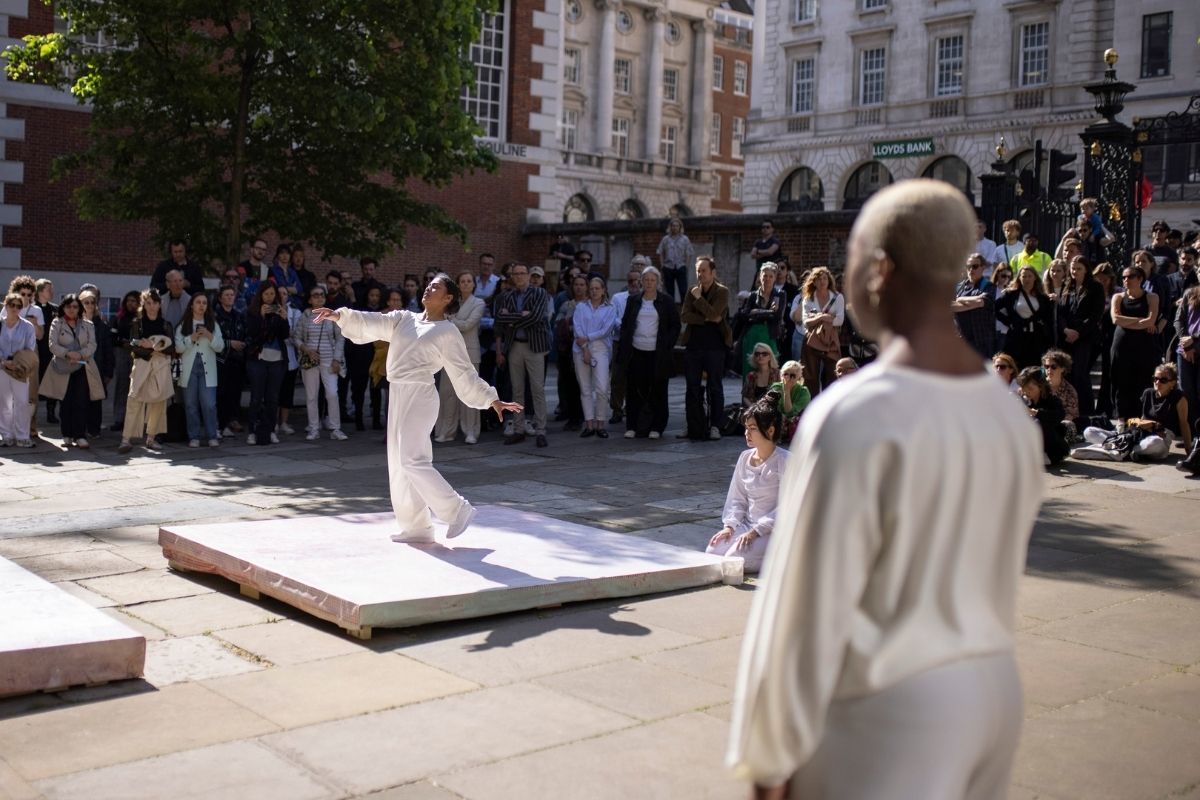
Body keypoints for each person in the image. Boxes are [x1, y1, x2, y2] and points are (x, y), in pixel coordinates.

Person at [727, 179, 1042, 799]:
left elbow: (803, 607)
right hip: (990, 694)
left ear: (880, 269)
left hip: (885, 711)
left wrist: (767, 755)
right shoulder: (1009, 416)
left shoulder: (855, 412)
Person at [314, 275, 521, 542]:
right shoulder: (404, 318)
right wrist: (340, 316)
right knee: (399, 464)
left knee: (412, 460)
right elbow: (374, 321)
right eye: (429, 284)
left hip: (421, 395)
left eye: (436, 287)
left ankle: (457, 509)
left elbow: (464, 372)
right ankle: (417, 527)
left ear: (448, 298)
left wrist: (491, 398)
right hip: (398, 393)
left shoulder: (447, 331)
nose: (428, 288)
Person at [705, 390, 789, 573]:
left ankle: (783, 557)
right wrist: (730, 526)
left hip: (774, 530)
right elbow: (737, 497)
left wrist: (756, 531)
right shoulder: (745, 457)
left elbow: (789, 506)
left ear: (770, 430)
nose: (746, 433)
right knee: (712, 552)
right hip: (748, 525)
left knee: (733, 560)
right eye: (746, 428)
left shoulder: (785, 461)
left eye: (752, 428)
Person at [1077, 363, 1191, 462]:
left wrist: (1188, 450)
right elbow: (1139, 419)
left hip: (1160, 437)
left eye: (1163, 380)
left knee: (1154, 443)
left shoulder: (1178, 398)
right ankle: (1123, 449)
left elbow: (1184, 424)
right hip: (1138, 435)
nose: (1157, 382)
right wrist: (1137, 424)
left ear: (1172, 383)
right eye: (1155, 379)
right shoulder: (1148, 393)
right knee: (1088, 431)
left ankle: (1117, 449)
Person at [616, 266, 680, 440]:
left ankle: (657, 427)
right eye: (646, 280)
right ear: (641, 282)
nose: (649, 283)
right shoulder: (634, 300)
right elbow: (625, 324)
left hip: (658, 353)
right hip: (636, 351)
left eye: (653, 280)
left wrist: (667, 344)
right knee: (634, 389)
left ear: (658, 282)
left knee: (658, 390)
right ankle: (632, 426)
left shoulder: (666, 301)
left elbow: (675, 325)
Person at [494, 262, 551, 448]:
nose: (518, 276)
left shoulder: (539, 293)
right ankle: (519, 429)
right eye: (515, 274)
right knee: (517, 389)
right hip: (515, 347)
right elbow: (500, 319)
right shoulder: (507, 296)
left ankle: (541, 430)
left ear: (527, 275)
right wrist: (522, 315)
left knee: (537, 389)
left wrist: (512, 318)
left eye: (522, 273)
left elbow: (536, 317)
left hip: (534, 347)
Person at [42, 294, 104, 450]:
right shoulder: (57, 322)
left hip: (83, 366)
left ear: (80, 308)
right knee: (65, 402)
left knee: (81, 402)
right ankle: (67, 435)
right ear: (63, 307)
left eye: (75, 306)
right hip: (63, 366)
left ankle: (80, 435)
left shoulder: (88, 324)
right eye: (68, 306)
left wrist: (80, 354)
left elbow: (92, 345)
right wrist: (67, 354)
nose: (71, 309)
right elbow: (52, 344)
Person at [680, 256, 732, 441]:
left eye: (704, 270)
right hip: (693, 345)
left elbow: (716, 315)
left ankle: (715, 426)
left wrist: (699, 300)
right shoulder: (691, 291)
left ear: (712, 272)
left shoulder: (722, 291)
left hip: (715, 346)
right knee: (692, 387)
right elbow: (685, 316)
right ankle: (693, 425)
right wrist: (705, 319)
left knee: (715, 386)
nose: (700, 274)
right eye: (698, 271)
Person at [118, 290, 176, 453]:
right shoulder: (137, 323)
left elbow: (171, 348)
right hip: (142, 364)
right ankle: (125, 439)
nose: (152, 306)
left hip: (161, 366)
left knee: (158, 402)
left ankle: (151, 438)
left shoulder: (166, 325)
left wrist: (152, 345)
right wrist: (153, 348)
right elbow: (133, 347)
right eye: (148, 303)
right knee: (134, 399)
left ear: (159, 304)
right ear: (143, 305)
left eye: (155, 303)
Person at [435, 272, 487, 444]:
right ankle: (446, 431)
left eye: (468, 281)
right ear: (457, 285)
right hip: (449, 352)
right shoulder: (450, 302)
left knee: (470, 393)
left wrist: (449, 319)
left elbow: (467, 325)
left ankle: (470, 431)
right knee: (447, 393)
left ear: (473, 284)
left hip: (469, 353)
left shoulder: (478, 303)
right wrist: (449, 319)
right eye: (462, 281)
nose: (465, 284)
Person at [293, 285, 348, 441]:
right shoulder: (305, 316)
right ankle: (313, 428)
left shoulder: (332, 315)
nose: (319, 297)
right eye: (315, 295)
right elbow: (296, 338)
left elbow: (340, 338)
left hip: (329, 361)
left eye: (321, 295)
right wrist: (307, 350)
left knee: (332, 393)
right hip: (310, 360)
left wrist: (337, 359)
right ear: (310, 299)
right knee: (311, 396)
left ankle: (335, 428)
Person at [1110, 265, 1160, 420]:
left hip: (1144, 345)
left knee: (1143, 379)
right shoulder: (1118, 297)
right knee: (1120, 380)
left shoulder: (1152, 297)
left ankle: (1143, 416)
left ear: (1140, 279)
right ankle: (1121, 418)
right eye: (1124, 277)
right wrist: (1141, 321)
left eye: (1130, 277)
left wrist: (1129, 322)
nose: (1126, 280)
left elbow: (1151, 320)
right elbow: (1116, 319)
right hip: (1122, 343)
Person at [175, 292, 224, 448]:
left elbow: (220, 347)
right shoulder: (184, 325)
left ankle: (212, 435)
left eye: (204, 303)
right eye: (198, 302)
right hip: (188, 369)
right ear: (192, 305)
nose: (201, 305)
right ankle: (194, 436)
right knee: (190, 405)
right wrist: (192, 337)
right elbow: (178, 347)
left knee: (209, 404)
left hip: (207, 370)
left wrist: (209, 335)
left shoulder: (213, 324)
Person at [244, 283, 290, 446]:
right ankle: (252, 431)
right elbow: (252, 334)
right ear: (260, 296)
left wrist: (284, 319)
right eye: (266, 294)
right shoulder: (252, 312)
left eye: (272, 294)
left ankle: (270, 430)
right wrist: (261, 317)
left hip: (277, 360)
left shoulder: (279, 311)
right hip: (258, 360)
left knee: (273, 398)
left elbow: (285, 335)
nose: (269, 297)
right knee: (256, 397)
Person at [1057, 256, 1104, 415]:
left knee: (1080, 374)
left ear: (1086, 270)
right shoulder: (1067, 286)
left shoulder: (1095, 287)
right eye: (1073, 268)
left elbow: (1095, 314)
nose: (1075, 271)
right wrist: (1065, 330)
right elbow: (1061, 313)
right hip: (1067, 336)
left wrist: (1079, 332)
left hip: (1085, 337)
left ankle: (1086, 412)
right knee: (1068, 374)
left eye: (1079, 268)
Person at [573, 276, 617, 439]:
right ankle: (589, 424)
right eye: (591, 288)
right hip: (580, 349)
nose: (594, 291)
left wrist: (588, 338)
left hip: (600, 349)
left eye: (597, 288)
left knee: (602, 388)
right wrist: (585, 347)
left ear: (603, 290)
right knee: (585, 389)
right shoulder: (581, 307)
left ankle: (600, 423)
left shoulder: (610, 308)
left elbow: (606, 330)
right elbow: (577, 328)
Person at [798, 266, 844, 396]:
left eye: (824, 278)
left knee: (832, 374)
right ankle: (811, 403)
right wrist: (823, 317)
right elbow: (806, 322)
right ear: (813, 282)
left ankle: (830, 403)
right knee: (810, 376)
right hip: (812, 340)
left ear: (829, 280)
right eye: (818, 279)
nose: (822, 281)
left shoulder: (838, 297)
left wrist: (816, 318)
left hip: (830, 339)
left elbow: (839, 320)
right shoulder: (808, 298)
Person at [995, 266, 1053, 368]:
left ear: (1035, 278)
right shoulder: (1011, 294)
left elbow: (1047, 317)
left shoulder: (1042, 297)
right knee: (1015, 366)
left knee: (1033, 367)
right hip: (1017, 337)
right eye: (1024, 276)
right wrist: (1009, 322)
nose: (1027, 279)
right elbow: (995, 308)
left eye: (1029, 276)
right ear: (1019, 278)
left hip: (1035, 338)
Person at [608, 261, 644, 425]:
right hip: (620, 341)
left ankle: (632, 408)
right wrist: (626, 326)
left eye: (637, 280)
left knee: (635, 377)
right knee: (617, 377)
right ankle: (616, 409)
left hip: (638, 342)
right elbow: (613, 317)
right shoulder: (618, 298)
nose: (634, 283)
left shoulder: (645, 298)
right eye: (631, 281)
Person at [0, 293, 37, 448]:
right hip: (1, 367)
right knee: (4, 403)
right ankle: (6, 436)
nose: (15, 308)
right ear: (6, 305)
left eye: (18, 306)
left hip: (20, 368)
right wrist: (3, 361)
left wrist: (16, 363)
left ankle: (22, 436)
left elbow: (30, 348)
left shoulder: (27, 326)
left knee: (22, 403)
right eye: (12, 305)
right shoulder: (0, 324)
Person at [737, 262, 786, 377]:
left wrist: (756, 312)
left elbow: (777, 316)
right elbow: (745, 315)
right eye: (765, 276)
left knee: (771, 370)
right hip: (752, 335)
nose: (767, 279)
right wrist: (768, 312)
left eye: (770, 276)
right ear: (760, 277)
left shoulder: (780, 294)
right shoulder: (753, 295)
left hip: (770, 335)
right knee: (750, 369)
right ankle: (749, 389)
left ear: (774, 278)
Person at [346, 284, 384, 431]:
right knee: (359, 390)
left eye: (377, 296)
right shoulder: (361, 312)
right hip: (361, 354)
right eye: (372, 295)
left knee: (376, 389)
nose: (374, 298)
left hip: (377, 355)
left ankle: (376, 420)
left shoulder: (383, 313)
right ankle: (359, 420)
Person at [553, 274, 588, 432]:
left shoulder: (590, 305)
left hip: (585, 349)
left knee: (583, 385)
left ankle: (583, 415)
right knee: (569, 384)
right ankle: (572, 416)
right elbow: (558, 323)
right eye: (576, 284)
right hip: (567, 349)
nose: (579, 287)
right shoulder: (566, 305)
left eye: (582, 284)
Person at [1017, 365, 1069, 466]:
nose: (1026, 391)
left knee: (1037, 422)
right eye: (1023, 388)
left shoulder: (1052, 400)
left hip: (1051, 447)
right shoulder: (1025, 400)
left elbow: (1060, 415)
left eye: (1030, 388)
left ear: (1040, 386)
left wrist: (1036, 413)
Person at [79, 289, 113, 440]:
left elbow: (108, 351)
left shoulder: (102, 326)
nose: (90, 305)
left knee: (95, 400)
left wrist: (108, 372)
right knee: (80, 400)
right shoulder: (75, 324)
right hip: (79, 367)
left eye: (92, 302)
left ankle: (94, 429)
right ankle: (80, 429)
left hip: (96, 367)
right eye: (86, 302)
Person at [214, 285, 247, 436]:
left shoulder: (239, 315)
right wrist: (230, 343)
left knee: (235, 392)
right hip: (221, 360)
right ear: (220, 298)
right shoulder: (215, 316)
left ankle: (232, 420)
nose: (229, 297)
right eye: (226, 295)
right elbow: (213, 339)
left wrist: (243, 344)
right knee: (222, 393)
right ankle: (221, 425)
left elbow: (245, 333)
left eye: (232, 295)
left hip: (237, 360)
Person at [110, 290, 141, 433]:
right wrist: (122, 343)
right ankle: (119, 419)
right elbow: (112, 337)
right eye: (128, 300)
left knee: (136, 388)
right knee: (121, 386)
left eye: (134, 301)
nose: (130, 303)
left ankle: (134, 420)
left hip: (138, 355)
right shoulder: (119, 318)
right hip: (121, 353)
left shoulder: (142, 318)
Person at [952, 253, 994, 359]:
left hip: (981, 342)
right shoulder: (959, 287)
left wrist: (960, 299)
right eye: (968, 266)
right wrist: (974, 303)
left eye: (975, 266)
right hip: (961, 341)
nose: (971, 270)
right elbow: (950, 306)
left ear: (983, 268)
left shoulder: (989, 286)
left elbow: (981, 302)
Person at [1093, 262, 1119, 417]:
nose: (1102, 282)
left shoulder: (1118, 293)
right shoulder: (1091, 292)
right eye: (1099, 279)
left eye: (1105, 279)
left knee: (1109, 372)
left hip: (1110, 335)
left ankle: (1108, 407)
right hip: (1093, 334)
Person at [1175, 284, 1200, 430]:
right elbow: (1178, 320)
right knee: (1186, 392)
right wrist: (1186, 343)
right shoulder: (1190, 293)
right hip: (1184, 351)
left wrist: (1194, 339)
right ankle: (1191, 431)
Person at [656, 217, 695, 304]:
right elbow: (660, 251)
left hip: (680, 266)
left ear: (680, 227)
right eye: (673, 226)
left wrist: (686, 265)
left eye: (677, 226)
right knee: (670, 291)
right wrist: (662, 265)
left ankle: (684, 308)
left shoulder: (685, 239)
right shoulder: (665, 239)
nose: (675, 227)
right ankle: (671, 308)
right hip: (668, 267)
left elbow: (689, 252)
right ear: (670, 227)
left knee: (683, 290)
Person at [1042, 348, 1081, 434]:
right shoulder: (1038, 386)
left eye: (1053, 367)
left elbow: (1071, 414)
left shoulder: (1069, 390)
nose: (1049, 370)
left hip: (1059, 426)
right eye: (1046, 366)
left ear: (1063, 369)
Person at [771, 360, 809, 443]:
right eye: (785, 374)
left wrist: (787, 391)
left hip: (794, 421)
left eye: (792, 375)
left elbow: (789, 412)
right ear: (781, 375)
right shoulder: (776, 388)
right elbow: (777, 409)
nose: (788, 378)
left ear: (799, 377)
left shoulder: (804, 392)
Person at [743, 343, 780, 407]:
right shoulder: (751, 376)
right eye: (757, 354)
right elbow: (746, 397)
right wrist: (753, 407)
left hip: (774, 408)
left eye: (764, 354)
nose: (760, 356)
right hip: (755, 409)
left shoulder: (778, 374)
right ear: (754, 357)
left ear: (770, 357)